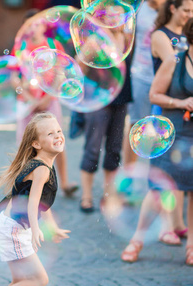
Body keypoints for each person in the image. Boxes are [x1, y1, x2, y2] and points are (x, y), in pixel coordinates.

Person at [121, 18, 193, 264]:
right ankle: (137, 240)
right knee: (157, 191)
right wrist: (181, 102)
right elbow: (155, 94)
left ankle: (192, 246)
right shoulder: (175, 61)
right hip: (171, 133)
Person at [0, 112, 70, 286]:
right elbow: (34, 202)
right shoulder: (41, 169)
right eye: (50, 134)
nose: (58, 136)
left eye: (58, 131)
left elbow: (43, 204)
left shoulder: (43, 164)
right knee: (39, 280)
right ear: (36, 144)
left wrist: (52, 227)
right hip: (14, 230)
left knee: (20, 283)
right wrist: (36, 229)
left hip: (9, 226)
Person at [15, 9, 79, 198]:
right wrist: (29, 97)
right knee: (24, 144)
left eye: (36, 24)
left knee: (56, 141)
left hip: (49, 101)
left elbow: (61, 74)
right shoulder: (20, 47)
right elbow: (14, 77)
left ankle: (65, 182)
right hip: (26, 103)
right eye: (29, 26)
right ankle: (26, 184)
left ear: (44, 25)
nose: (33, 29)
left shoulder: (53, 45)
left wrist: (47, 97)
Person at [78, 54, 133, 213]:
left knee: (115, 149)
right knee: (92, 148)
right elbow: (81, 62)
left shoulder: (126, 34)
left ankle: (108, 194)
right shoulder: (94, 34)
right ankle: (86, 196)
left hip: (121, 95)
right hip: (97, 93)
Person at [123, 0, 167, 167]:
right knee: (136, 125)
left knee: (163, 129)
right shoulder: (138, 8)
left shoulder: (173, 8)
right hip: (140, 75)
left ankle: (163, 174)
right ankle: (128, 173)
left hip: (164, 76)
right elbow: (128, 41)